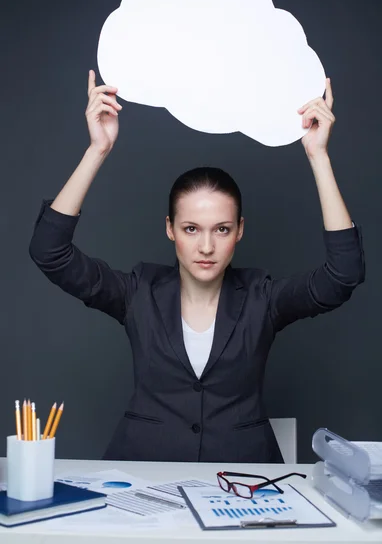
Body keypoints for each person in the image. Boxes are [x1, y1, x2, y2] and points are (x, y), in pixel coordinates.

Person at [29, 71, 365, 463]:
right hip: (145, 477)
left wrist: (318, 156)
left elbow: (343, 274)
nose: (206, 246)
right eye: (191, 228)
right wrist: (97, 150)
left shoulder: (263, 297)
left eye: (221, 229)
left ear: (239, 230)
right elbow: (49, 251)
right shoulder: (139, 291)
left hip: (244, 482)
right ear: (170, 229)